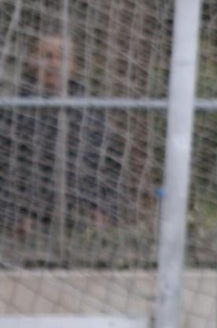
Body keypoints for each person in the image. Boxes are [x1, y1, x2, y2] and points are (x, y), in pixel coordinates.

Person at [0, 34, 124, 239]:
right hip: (23, 225)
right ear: (32, 61)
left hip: (81, 225)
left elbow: (112, 167)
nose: (54, 64)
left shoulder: (91, 111)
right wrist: (13, 218)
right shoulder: (12, 111)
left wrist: (103, 212)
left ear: (73, 65)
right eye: (46, 56)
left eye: (62, 58)